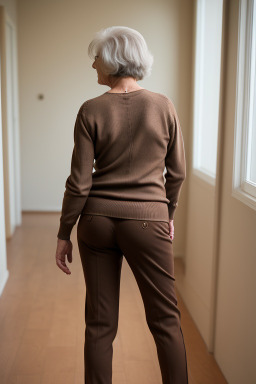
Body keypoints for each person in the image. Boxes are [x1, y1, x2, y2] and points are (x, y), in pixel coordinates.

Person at [55, 26, 188, 384]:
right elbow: (177, 173)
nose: (93, 64)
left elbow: (79, 182)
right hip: (149, 222)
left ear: (113, 60)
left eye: (96, 57)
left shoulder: (90, 110)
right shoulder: (163, 106)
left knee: (99, 324)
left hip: (96, 221)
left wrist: (64, 232)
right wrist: (167, 213)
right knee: (165, 320)